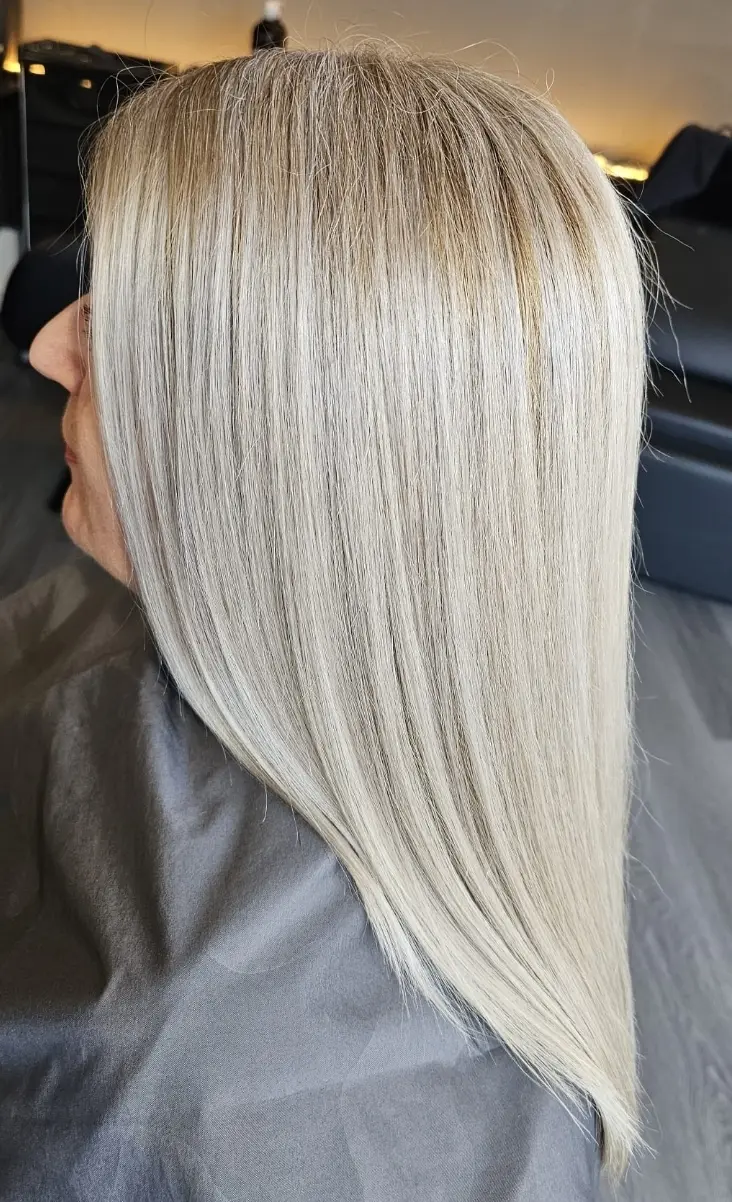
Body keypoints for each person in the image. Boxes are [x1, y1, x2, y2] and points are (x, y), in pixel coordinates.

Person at [0, 47, 646, 1199]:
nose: (49, 351)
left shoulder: (143, 1091)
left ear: (283, 445)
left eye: (115, 326)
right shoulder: (507, 772)